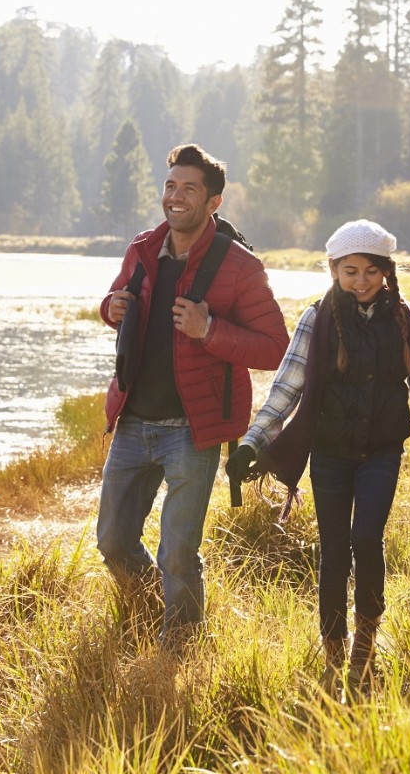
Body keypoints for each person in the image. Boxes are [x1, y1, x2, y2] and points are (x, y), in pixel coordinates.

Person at [234, 219, 410, 696]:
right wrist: (254, 442)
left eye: (371, 272)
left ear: (386, 271)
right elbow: (287, 387)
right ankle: (334, 647)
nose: (361, 282)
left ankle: (366, 643)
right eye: (350, 271)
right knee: (333, 551)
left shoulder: (405, 317)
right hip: (330, 453)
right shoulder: (317, 317)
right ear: (333, 269)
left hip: (381, 452)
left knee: (367, 540)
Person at [97, 143, 289, 646]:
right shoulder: (142, 248)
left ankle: (180, 648)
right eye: (170, 186)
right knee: (113, 541)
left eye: (189, 189)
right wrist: (110, 308)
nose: (175, 197)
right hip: (133, 420)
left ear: (214, 202)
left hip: (193, 430)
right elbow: (117, 301)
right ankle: (144, 615)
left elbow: (275, 348)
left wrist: (209, 331)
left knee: (178, 553)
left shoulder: (241, 267)